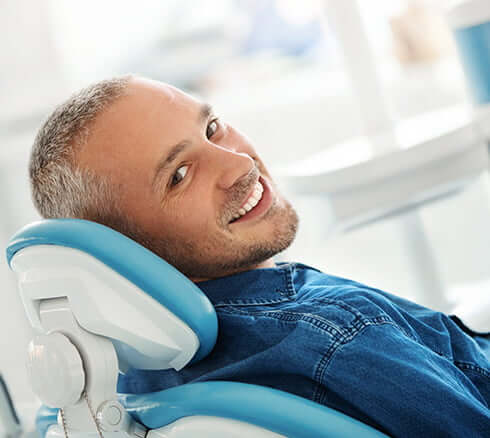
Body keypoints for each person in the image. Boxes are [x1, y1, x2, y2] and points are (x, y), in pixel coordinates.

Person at [29, 75, 489, 437]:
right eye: (180, 175)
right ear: (125, 249)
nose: (239, 164)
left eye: (212, 128)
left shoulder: (115, 391)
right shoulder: (337, 336)